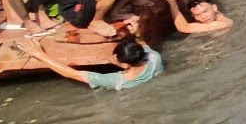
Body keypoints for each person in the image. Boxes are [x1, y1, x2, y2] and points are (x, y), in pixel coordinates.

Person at [15, 34, 163, 90]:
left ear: (125, 65)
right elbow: (143, 44)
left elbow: (72, 74)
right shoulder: (154, 58)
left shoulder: (116, 81)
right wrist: (137, 33)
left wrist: (38, 54)